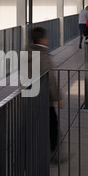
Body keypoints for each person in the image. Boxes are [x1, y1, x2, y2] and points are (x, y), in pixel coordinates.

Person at [27, 26, 63, 161]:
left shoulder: (27, 52)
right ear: (42, 39)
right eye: (45, 38)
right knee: (52, 125)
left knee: (33, 126)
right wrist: (57, 97)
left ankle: (28, 156)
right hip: (43, 99)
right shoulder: (42, 55)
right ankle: (53, 153)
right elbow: (50, 79)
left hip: (29, 96)